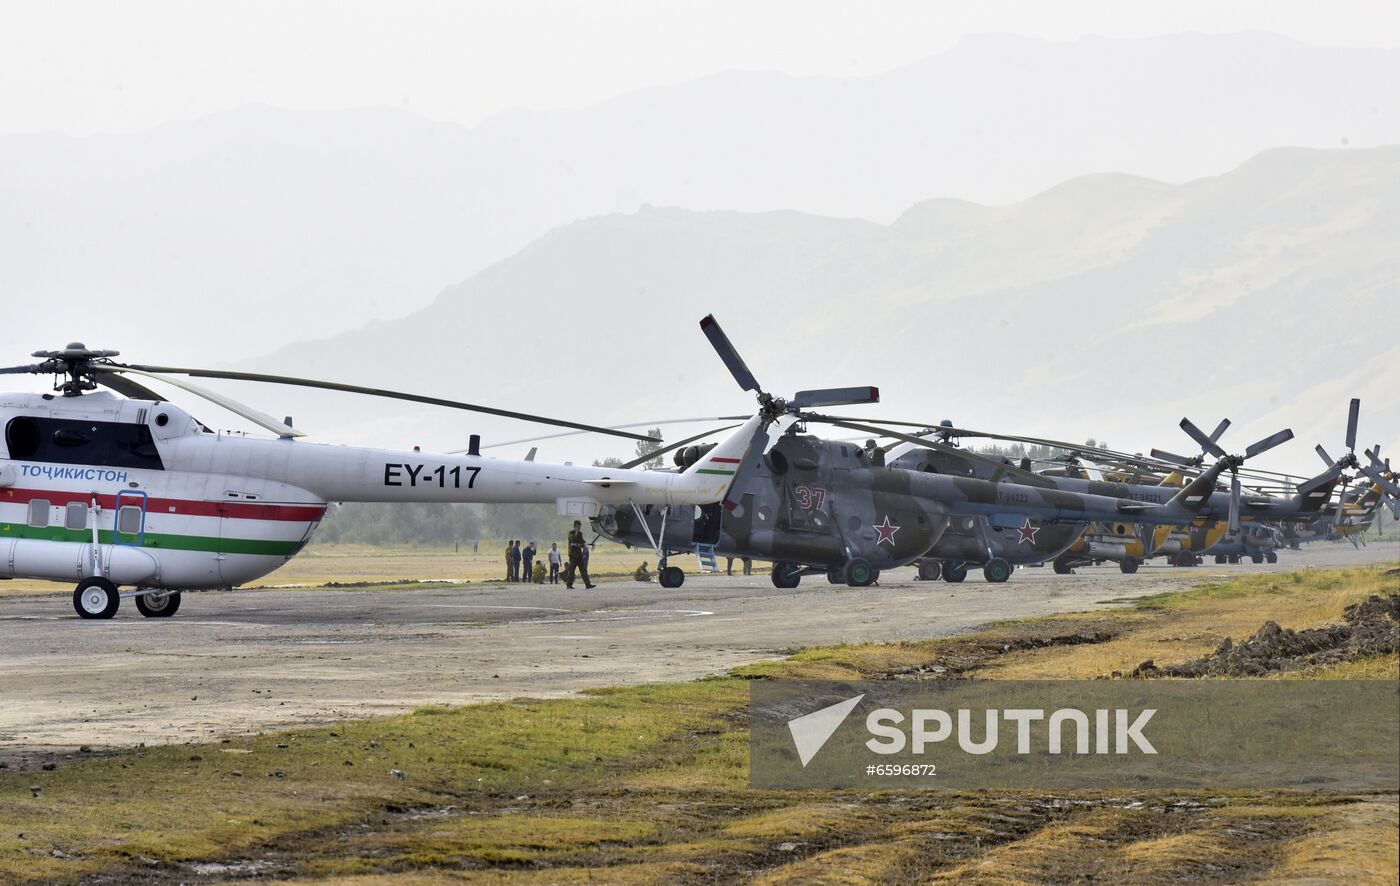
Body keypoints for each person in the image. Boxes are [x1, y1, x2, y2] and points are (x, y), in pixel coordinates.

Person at [565, 520, 595, 589]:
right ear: (575, 526)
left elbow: (582, 542)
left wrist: (588, 544)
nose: (579, 527)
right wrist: (576, 532)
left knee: (583, 570)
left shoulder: (580, 534)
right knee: (571, 571)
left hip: (579, 555)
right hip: (572, 556)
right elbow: (572, 539)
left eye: (580, 526)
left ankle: (588, 585)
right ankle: (569, 585)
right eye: (578, 526)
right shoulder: (571, 533)